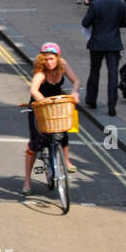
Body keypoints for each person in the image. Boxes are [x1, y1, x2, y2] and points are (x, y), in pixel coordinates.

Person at [21, 43, 80, 194]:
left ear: (57, 58)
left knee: (64, 129)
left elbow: (76, 81)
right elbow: (33, 90)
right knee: (35, 145)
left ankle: (66, 161)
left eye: (52, 59)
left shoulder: (63, 65)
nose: (49, 62)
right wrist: (42, 102)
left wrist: (74, 93)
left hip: (56, 104)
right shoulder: (41, 73)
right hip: (40, 107)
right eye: (46, 59)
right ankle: (27, 181)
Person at [82, 0, 126, 115]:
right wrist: (115, 25)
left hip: (97, 42)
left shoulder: (95, 4)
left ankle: (91, 99)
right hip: (114, 43)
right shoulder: (120, 5)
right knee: (113, 74)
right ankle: (111, 105)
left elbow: (85, 23)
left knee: (94, 71)